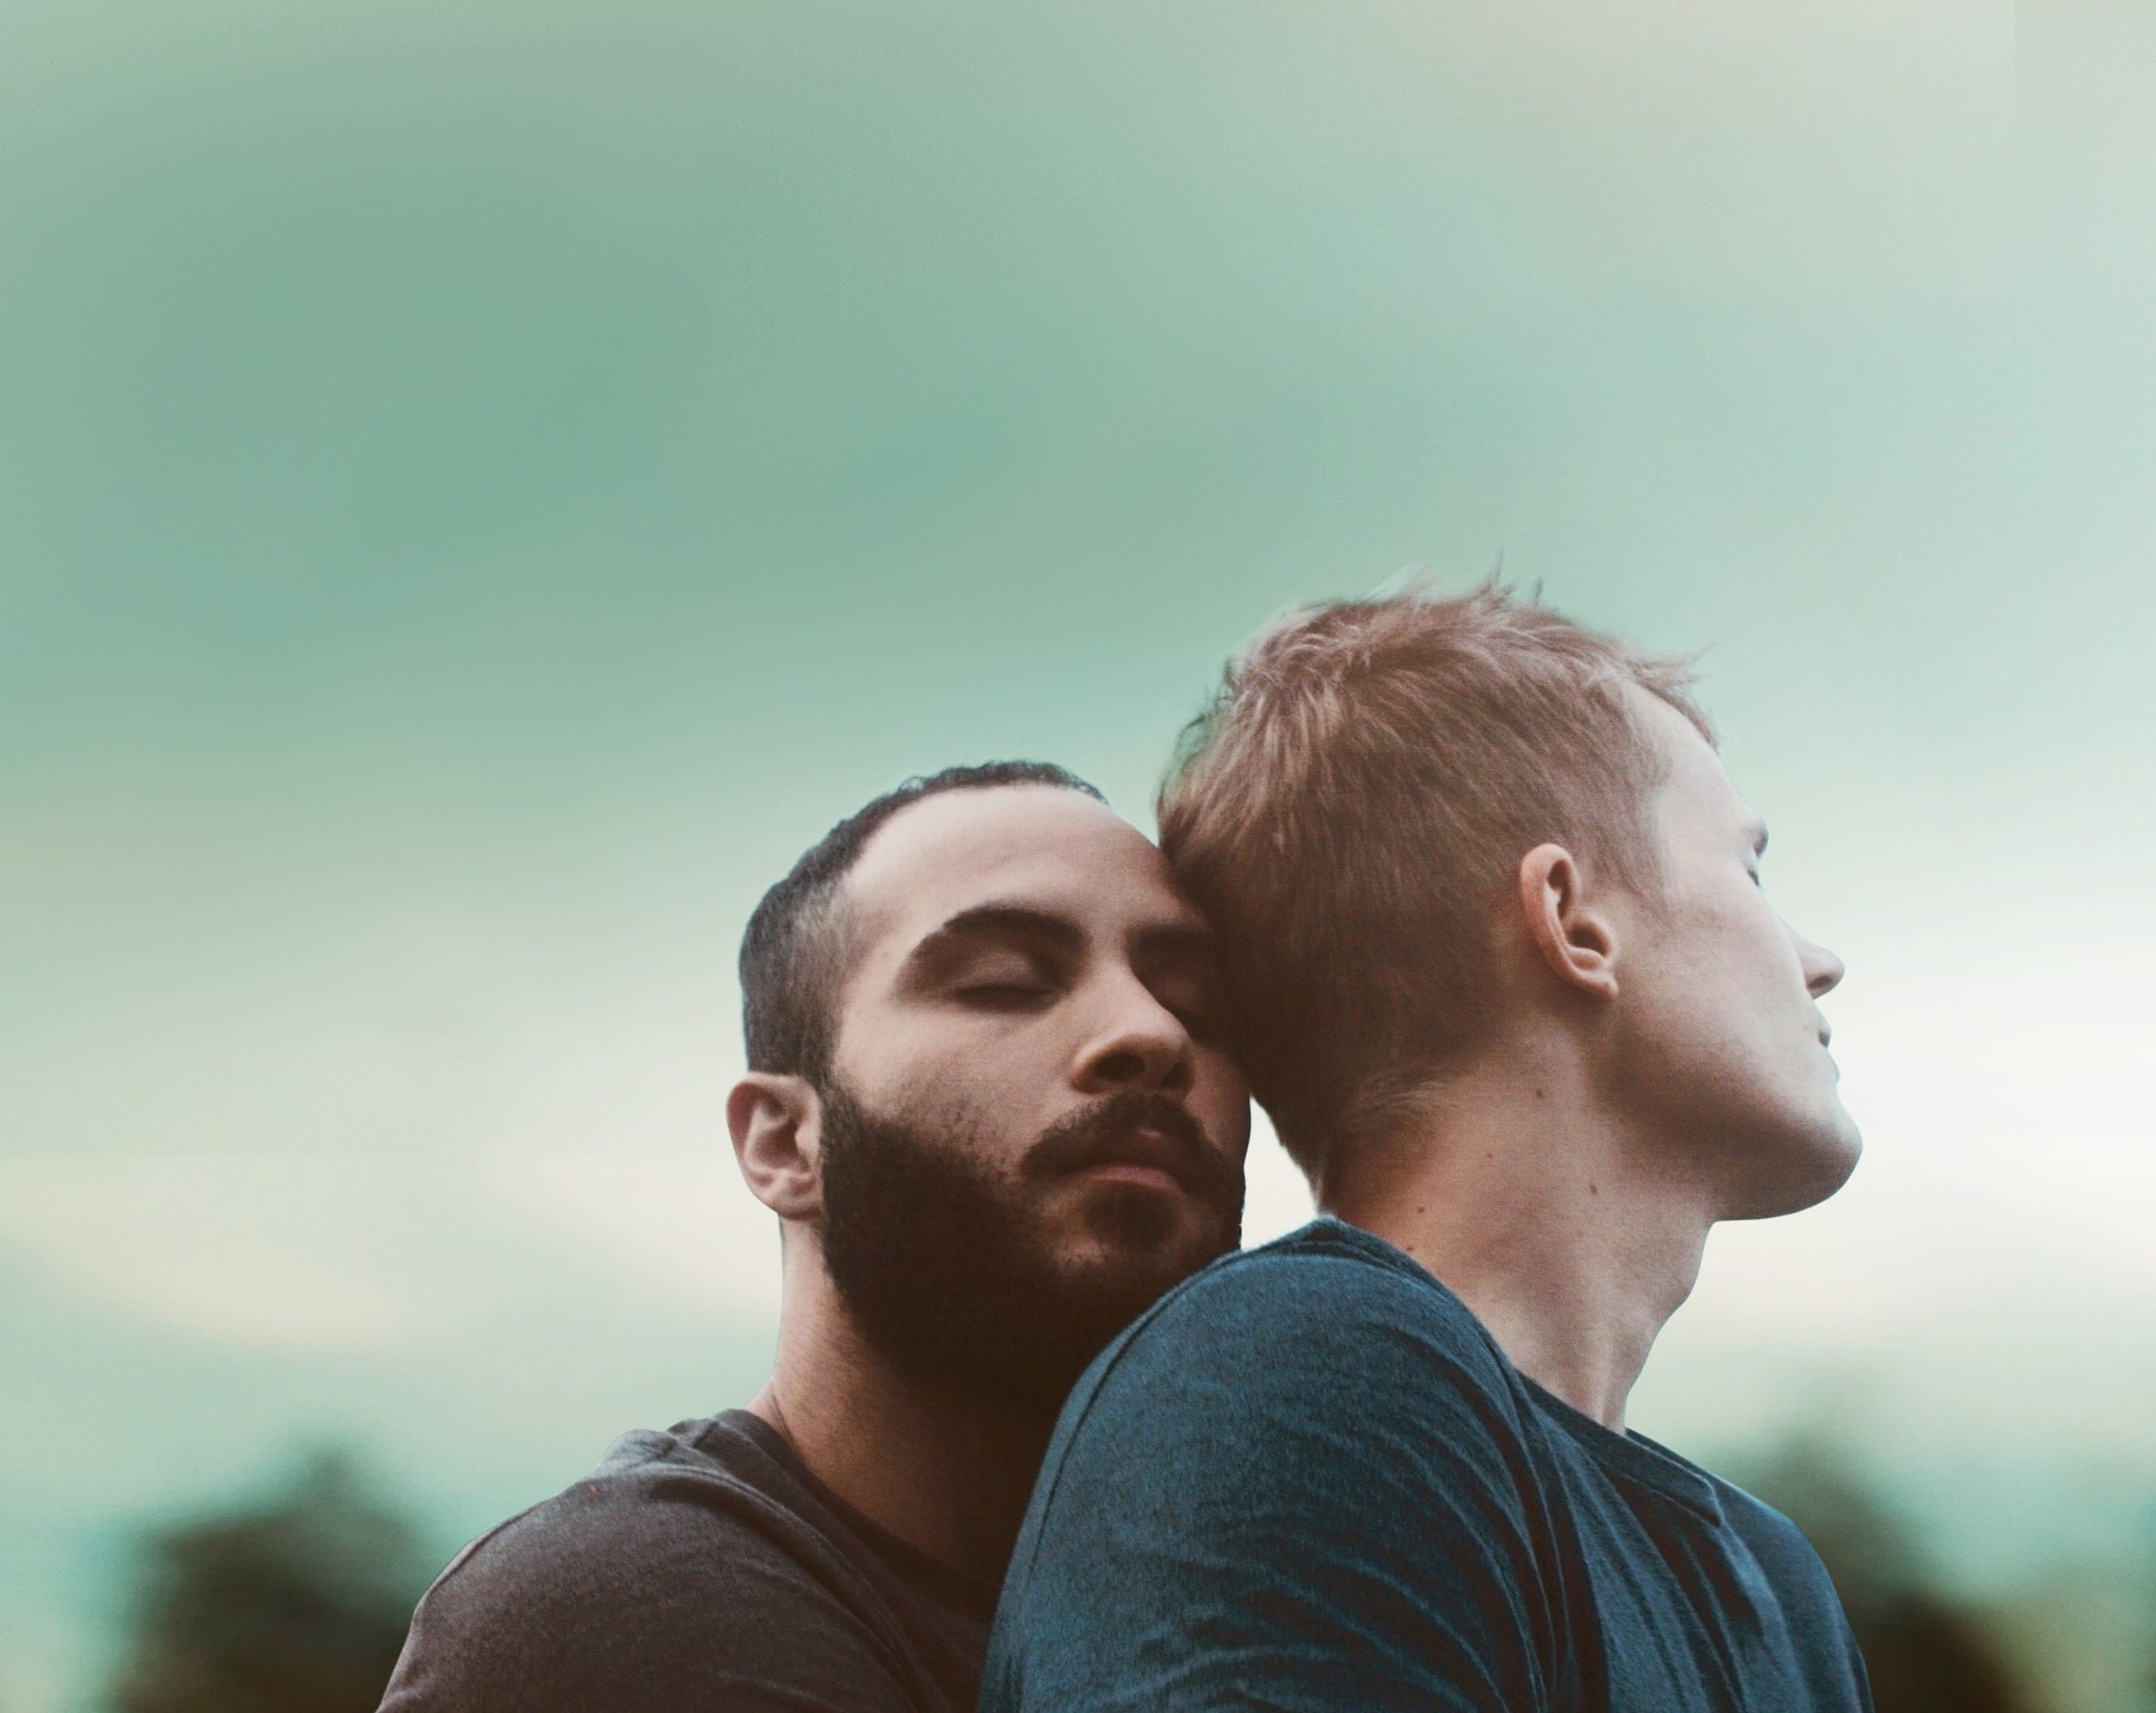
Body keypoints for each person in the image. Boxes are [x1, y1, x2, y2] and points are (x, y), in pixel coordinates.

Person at [983, 584, 1871, 1712]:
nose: (1819, 960)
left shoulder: (1773, 1580)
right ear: (1573, 919)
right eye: (1748, 869)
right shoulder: (1293, 1378)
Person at [381, 761, 1253, 1713]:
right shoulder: (634, 1606)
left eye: (1192, 1001)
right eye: (1005, 983)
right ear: (786, 1142)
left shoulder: (1266, 1587)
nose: (1150, 1032)